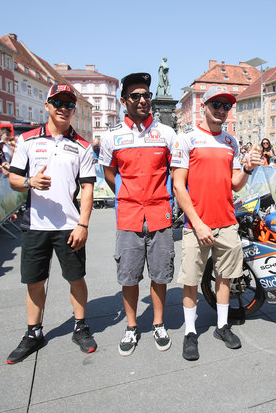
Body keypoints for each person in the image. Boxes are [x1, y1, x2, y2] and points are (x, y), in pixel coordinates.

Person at [6, 83, 98, 364]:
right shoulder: (28, 140)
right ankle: (34, 333)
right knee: (35, 281)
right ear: (47, 105)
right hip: (36, 225)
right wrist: (29, 182)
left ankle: (80, 326)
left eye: (69, 104)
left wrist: (83, 225)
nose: (63, 108)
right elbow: (13, 180)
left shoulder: (81, 145)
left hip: (69, 226)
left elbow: (87, 189)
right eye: (58, 102)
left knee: (75, 278)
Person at [171, 86, 261, 361]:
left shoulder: (231, 142)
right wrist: (197, 223)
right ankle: (190, 332)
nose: (222, 110)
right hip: (196, 225)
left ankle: (222, 326)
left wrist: (247, 169)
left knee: (225, 277)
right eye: (217, 104)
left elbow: (234, 185)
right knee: (191, 280)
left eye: (226, 106)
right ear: (205, 106)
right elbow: (178, 186)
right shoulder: (187, 139)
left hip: (226, 222)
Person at [99, 72, 177, 357]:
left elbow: (175, 172)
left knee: (160, 275)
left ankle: (158, 323)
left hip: (160, 215)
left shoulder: (167, 134)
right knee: (129, 277)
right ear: (124, 102)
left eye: (146, 95)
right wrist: (127, 194)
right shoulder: (112, 137)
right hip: (129, 216)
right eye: (136, 96)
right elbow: (109, 173)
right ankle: (131, 326)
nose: (143, 100)